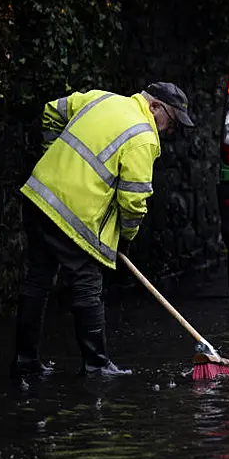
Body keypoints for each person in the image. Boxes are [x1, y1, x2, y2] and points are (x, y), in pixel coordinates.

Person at [11, 82, 195, 377]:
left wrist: (51, 154)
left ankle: (25, 361)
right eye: (170, 123)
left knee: (38, 280)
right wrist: (126, 237)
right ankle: (97, 366)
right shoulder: (143, 138)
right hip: (72, 215)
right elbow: (133, 201)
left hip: (38, 196)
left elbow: (50, 112)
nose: (169, 132)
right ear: (154, 107)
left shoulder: (100, 99)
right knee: (87, 285)